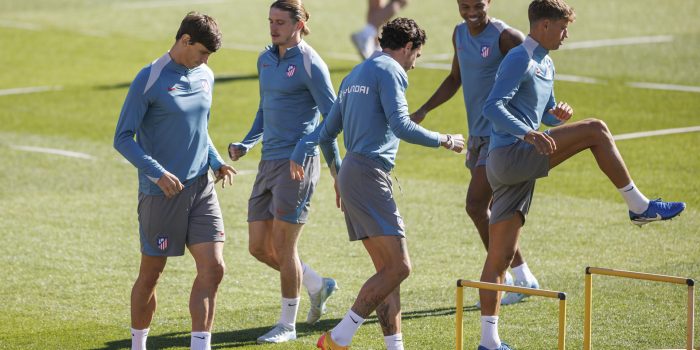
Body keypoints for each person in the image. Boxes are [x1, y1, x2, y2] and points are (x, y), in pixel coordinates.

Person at [477, 1, 686, 349]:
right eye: (562, 28)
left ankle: (489, 341)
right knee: (596, 130)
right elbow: (492, 106)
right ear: (543, 25)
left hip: (516, 161)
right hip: (510, 155)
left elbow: (544, 114)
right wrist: (528, 134)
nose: (566, 35)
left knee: (499, 257)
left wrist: (557, 115)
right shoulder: (519, 57)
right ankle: (638, 206)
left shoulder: (546, 61)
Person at [304, 18, 466, 350]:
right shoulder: (392, 71)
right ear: (408, 48)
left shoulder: (354, 75)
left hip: (352, 172)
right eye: (416, 56)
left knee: (387, 272)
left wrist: (338, 176)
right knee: (400, 266)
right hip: (368, 174)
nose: (414, 64)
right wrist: (445, 139)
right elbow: (402, 126)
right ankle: (339, 337)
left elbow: (326, 134)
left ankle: (395, 346)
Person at [113, 12, 236, 350]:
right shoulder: (149, 78)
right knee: (152, 274)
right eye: (202, 52)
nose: (206, 60)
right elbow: (122, 137)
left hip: (201, 188)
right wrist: (156, 171)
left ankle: (200, 344)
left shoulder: (205, 75)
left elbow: (200, 129)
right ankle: (138, 344)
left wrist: (216, 161)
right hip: (161, 194)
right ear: (185, 41)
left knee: (214, 268)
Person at [411, 0, 539, 307]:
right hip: (477, 138)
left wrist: (532, 122)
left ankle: (508, 276)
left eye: (478, 5)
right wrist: (424, 109)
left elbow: (535, 80)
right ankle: (521, 277)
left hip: (502, 137)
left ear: (489, 3)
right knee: (495, 212)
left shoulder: (507, 37)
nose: (472, 11)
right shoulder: (459, 34)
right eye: (465, 5)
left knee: (476, 204)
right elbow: (456, 78)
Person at [227, 0, 341, 344]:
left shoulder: (310, 63)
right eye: (270, 21)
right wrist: (247, 142)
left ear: (299, 23)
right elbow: (265, 108)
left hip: (297, 167)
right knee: (258, 247)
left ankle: (287, 325)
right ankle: (317, 284)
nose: (273, 27)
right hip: (267, 162)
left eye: (280, 22)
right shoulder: (265, 59)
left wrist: (335, 169)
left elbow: (334, 118)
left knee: (283, 245)